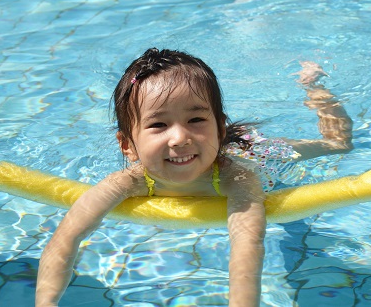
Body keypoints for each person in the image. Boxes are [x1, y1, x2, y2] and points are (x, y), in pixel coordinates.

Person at [35, 48, 353, 307]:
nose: (180, 138)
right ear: (127, 145)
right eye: (158, 125)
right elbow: (66, 237)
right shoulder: (126, 182)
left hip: (254, 152)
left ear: (220, 128)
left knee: (338, 145)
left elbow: (248, 247)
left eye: (197, 119)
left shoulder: (237, 179)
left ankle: (313, 85)